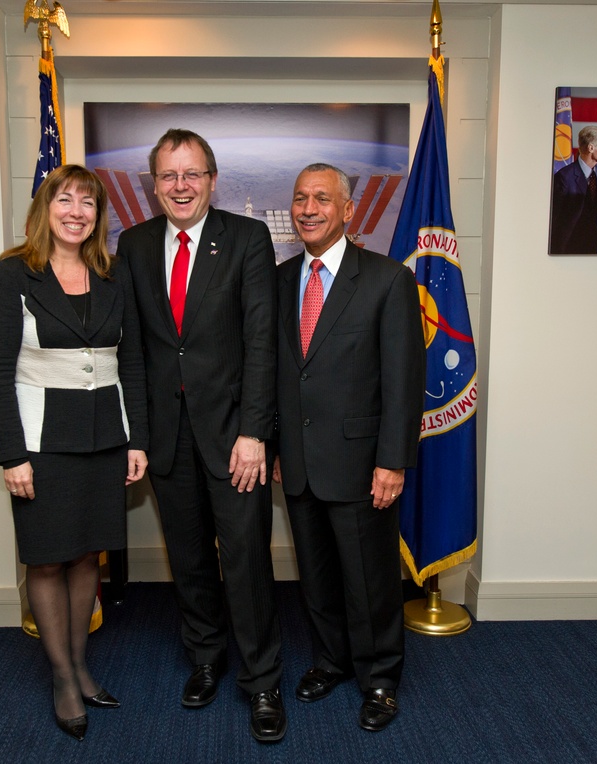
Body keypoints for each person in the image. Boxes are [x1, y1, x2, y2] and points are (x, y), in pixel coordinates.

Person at [116, 129, 285, 742]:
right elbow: (132, 351)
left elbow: (262, 343)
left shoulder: (246, 239)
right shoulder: (132, 246)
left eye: (192, 174)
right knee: (187, 560)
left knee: (245, 563)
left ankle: (263, 681)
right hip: (166, 438)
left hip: (233, 439)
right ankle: (207, 659)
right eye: (168, 176)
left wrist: (254, 433)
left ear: (212, 180)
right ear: (152, 185)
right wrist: (137, 435)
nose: (181, 186)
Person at [0, 164, 149, 742]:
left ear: (98, 216)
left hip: (105, 438)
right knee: (48, 558)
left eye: (88, 202)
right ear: (45, 208)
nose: (76, 211)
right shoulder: (14, 274)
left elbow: (132, 362)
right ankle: (60, 676)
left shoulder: (113, 273)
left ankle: (81, 664)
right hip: (40, 441)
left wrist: (138, 440)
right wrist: (11, 455)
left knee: (85, 558)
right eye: (65, 199)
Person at [273, 164, 425, 732]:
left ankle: (380, 678)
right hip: (299, 462)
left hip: (364, 465)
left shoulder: (387, 280)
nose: (308, 208)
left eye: (322, 198)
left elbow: (403, 381)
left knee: (370, 580)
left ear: (348, 210)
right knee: (316, 576)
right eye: (300, 198)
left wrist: (391, 461)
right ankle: (332, 660)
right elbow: (284, 372)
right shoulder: (281, 277)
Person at [549, 125, 597, 254]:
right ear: (591, 148)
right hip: (571, 248)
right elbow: (555, 219)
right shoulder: (564, 178)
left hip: (596, 246)